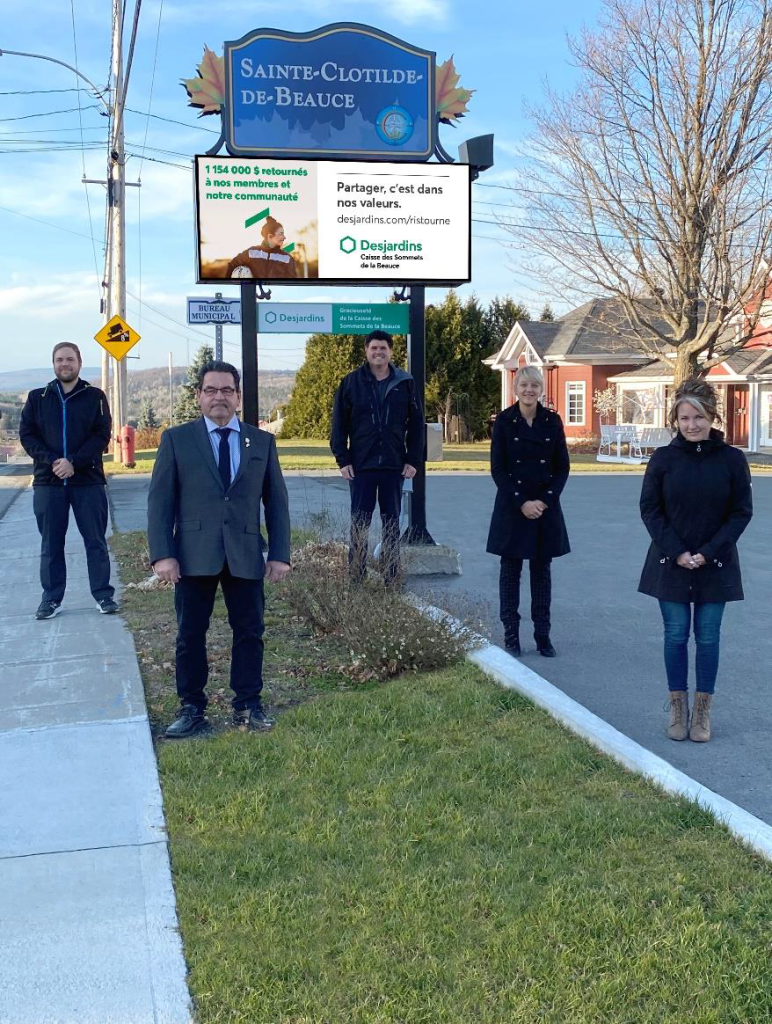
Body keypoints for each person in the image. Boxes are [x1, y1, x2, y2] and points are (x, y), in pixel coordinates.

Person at [147, 360, 291, 738]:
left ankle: (248, 705)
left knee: (250, 632)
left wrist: (279, 554)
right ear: (198, 397)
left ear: (239, 397)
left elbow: (276, 503)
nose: (219, 397)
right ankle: (192, 707)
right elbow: (160, 502)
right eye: (210, 390)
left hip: (244, 552)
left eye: (227, 390)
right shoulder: (177, 439)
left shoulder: (261, 442)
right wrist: (163, 554)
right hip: (193, 554)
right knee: (190, 634)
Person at [639, 378, 752, 743]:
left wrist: (708, 551)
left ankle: (702, 711)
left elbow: (741, 513)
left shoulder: (733, 460)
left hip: (715, 565)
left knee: (707, 637)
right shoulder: (663, 459)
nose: (692, 425)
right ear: (676, 419)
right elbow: (650, 509)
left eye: (699, 417)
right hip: (669, 563)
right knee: (675, 635)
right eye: (685, 418)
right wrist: (679, 552)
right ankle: (677, 707)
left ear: (712, 417)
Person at [19, 342, 116, 620]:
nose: (65, 364)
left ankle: (103, 595)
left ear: (79, 363)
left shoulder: (95, 396)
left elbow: (101, 435)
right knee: (51, 544)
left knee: (96, 541)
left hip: (88, 481)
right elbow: (28, 435)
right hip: (48, 484)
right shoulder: (38, 397)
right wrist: (54, 461)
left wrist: (74, 461)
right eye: (60, 359)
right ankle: (51, 599)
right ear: (53, 363)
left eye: (70, 359)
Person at [486, 365, 570, 657]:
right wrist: (522, 502)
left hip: (545, 508)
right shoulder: (504, 422)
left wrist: (544, 501)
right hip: (513, 507)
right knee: (510, 572)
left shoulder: (552, 421)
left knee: (541, 573)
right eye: (524, 385)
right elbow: (498, 469)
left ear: (541, 390)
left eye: (534, 385)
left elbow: (562, 467)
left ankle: (542, 635)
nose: (529, 390)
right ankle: (511, 635)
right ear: (515, 389)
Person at [330, 330, 423, 583]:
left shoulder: (405, 382)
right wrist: (343, 459)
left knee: (392, 523)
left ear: (391, 351)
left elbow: (416, 424)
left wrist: (413, 460)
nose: (378, 353)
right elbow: (339, 424)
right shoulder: (351, 382)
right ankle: (357, 578)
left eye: (383, 348)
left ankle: (391, 577)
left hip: (394, 465)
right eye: (374, 348)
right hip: (361, 466)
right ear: (366, 351)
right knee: (359, 524)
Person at [226, 216, 298, 280]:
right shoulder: (251, 252)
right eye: (281, 234)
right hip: (254, 294)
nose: (284, 237)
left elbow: (292, 283)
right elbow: (232, 265)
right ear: (270, 236)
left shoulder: (287, 258)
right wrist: (229, 284)